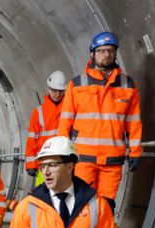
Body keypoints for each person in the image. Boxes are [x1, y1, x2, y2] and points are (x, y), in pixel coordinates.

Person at [58, 31, 142, 209]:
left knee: (106, 206)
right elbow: (65, 121)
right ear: (92, 53)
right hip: (83, 158)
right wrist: (63, 153)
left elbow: (133, 123)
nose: (106, 54)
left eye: (111, 50)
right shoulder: (77, 84)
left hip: (112, 160)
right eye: (102, 51)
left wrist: (135, 152)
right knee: (81, 204)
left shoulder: (128, 85)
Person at [25, 71, 67, 188]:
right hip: (43, 164)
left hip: (63, 161)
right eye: (54, 91)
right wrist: (30, 163)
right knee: (42, 198)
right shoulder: (38, 112)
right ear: (49, 89)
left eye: (60, 91)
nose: (57, 94)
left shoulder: (69, 108)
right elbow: (32, 139)